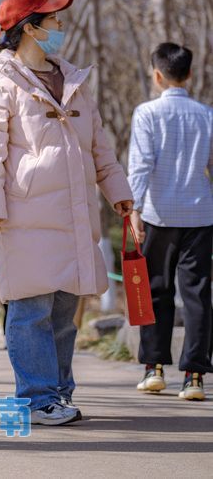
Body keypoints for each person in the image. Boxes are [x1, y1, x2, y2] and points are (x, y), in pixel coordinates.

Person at [0, 0, 133, 425]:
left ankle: (59, 391)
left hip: (73, 213)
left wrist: (119, 191)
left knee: (64, 311)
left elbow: (100, 146)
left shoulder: (73, 80)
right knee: (30, 307)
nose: (60, 27)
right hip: (24, 215)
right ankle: (36, 398)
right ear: (30, 29)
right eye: (53, 20)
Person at [128, 42, 213, 402]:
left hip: (158, 214)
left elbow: (142, 164)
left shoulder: (147, 113)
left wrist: (132, 207)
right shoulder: (207, 114)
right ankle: (194, 376)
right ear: (190, 74)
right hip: (200, 215)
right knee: (197, 295)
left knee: (156, 292)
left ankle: (154, 370)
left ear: (157, 75)